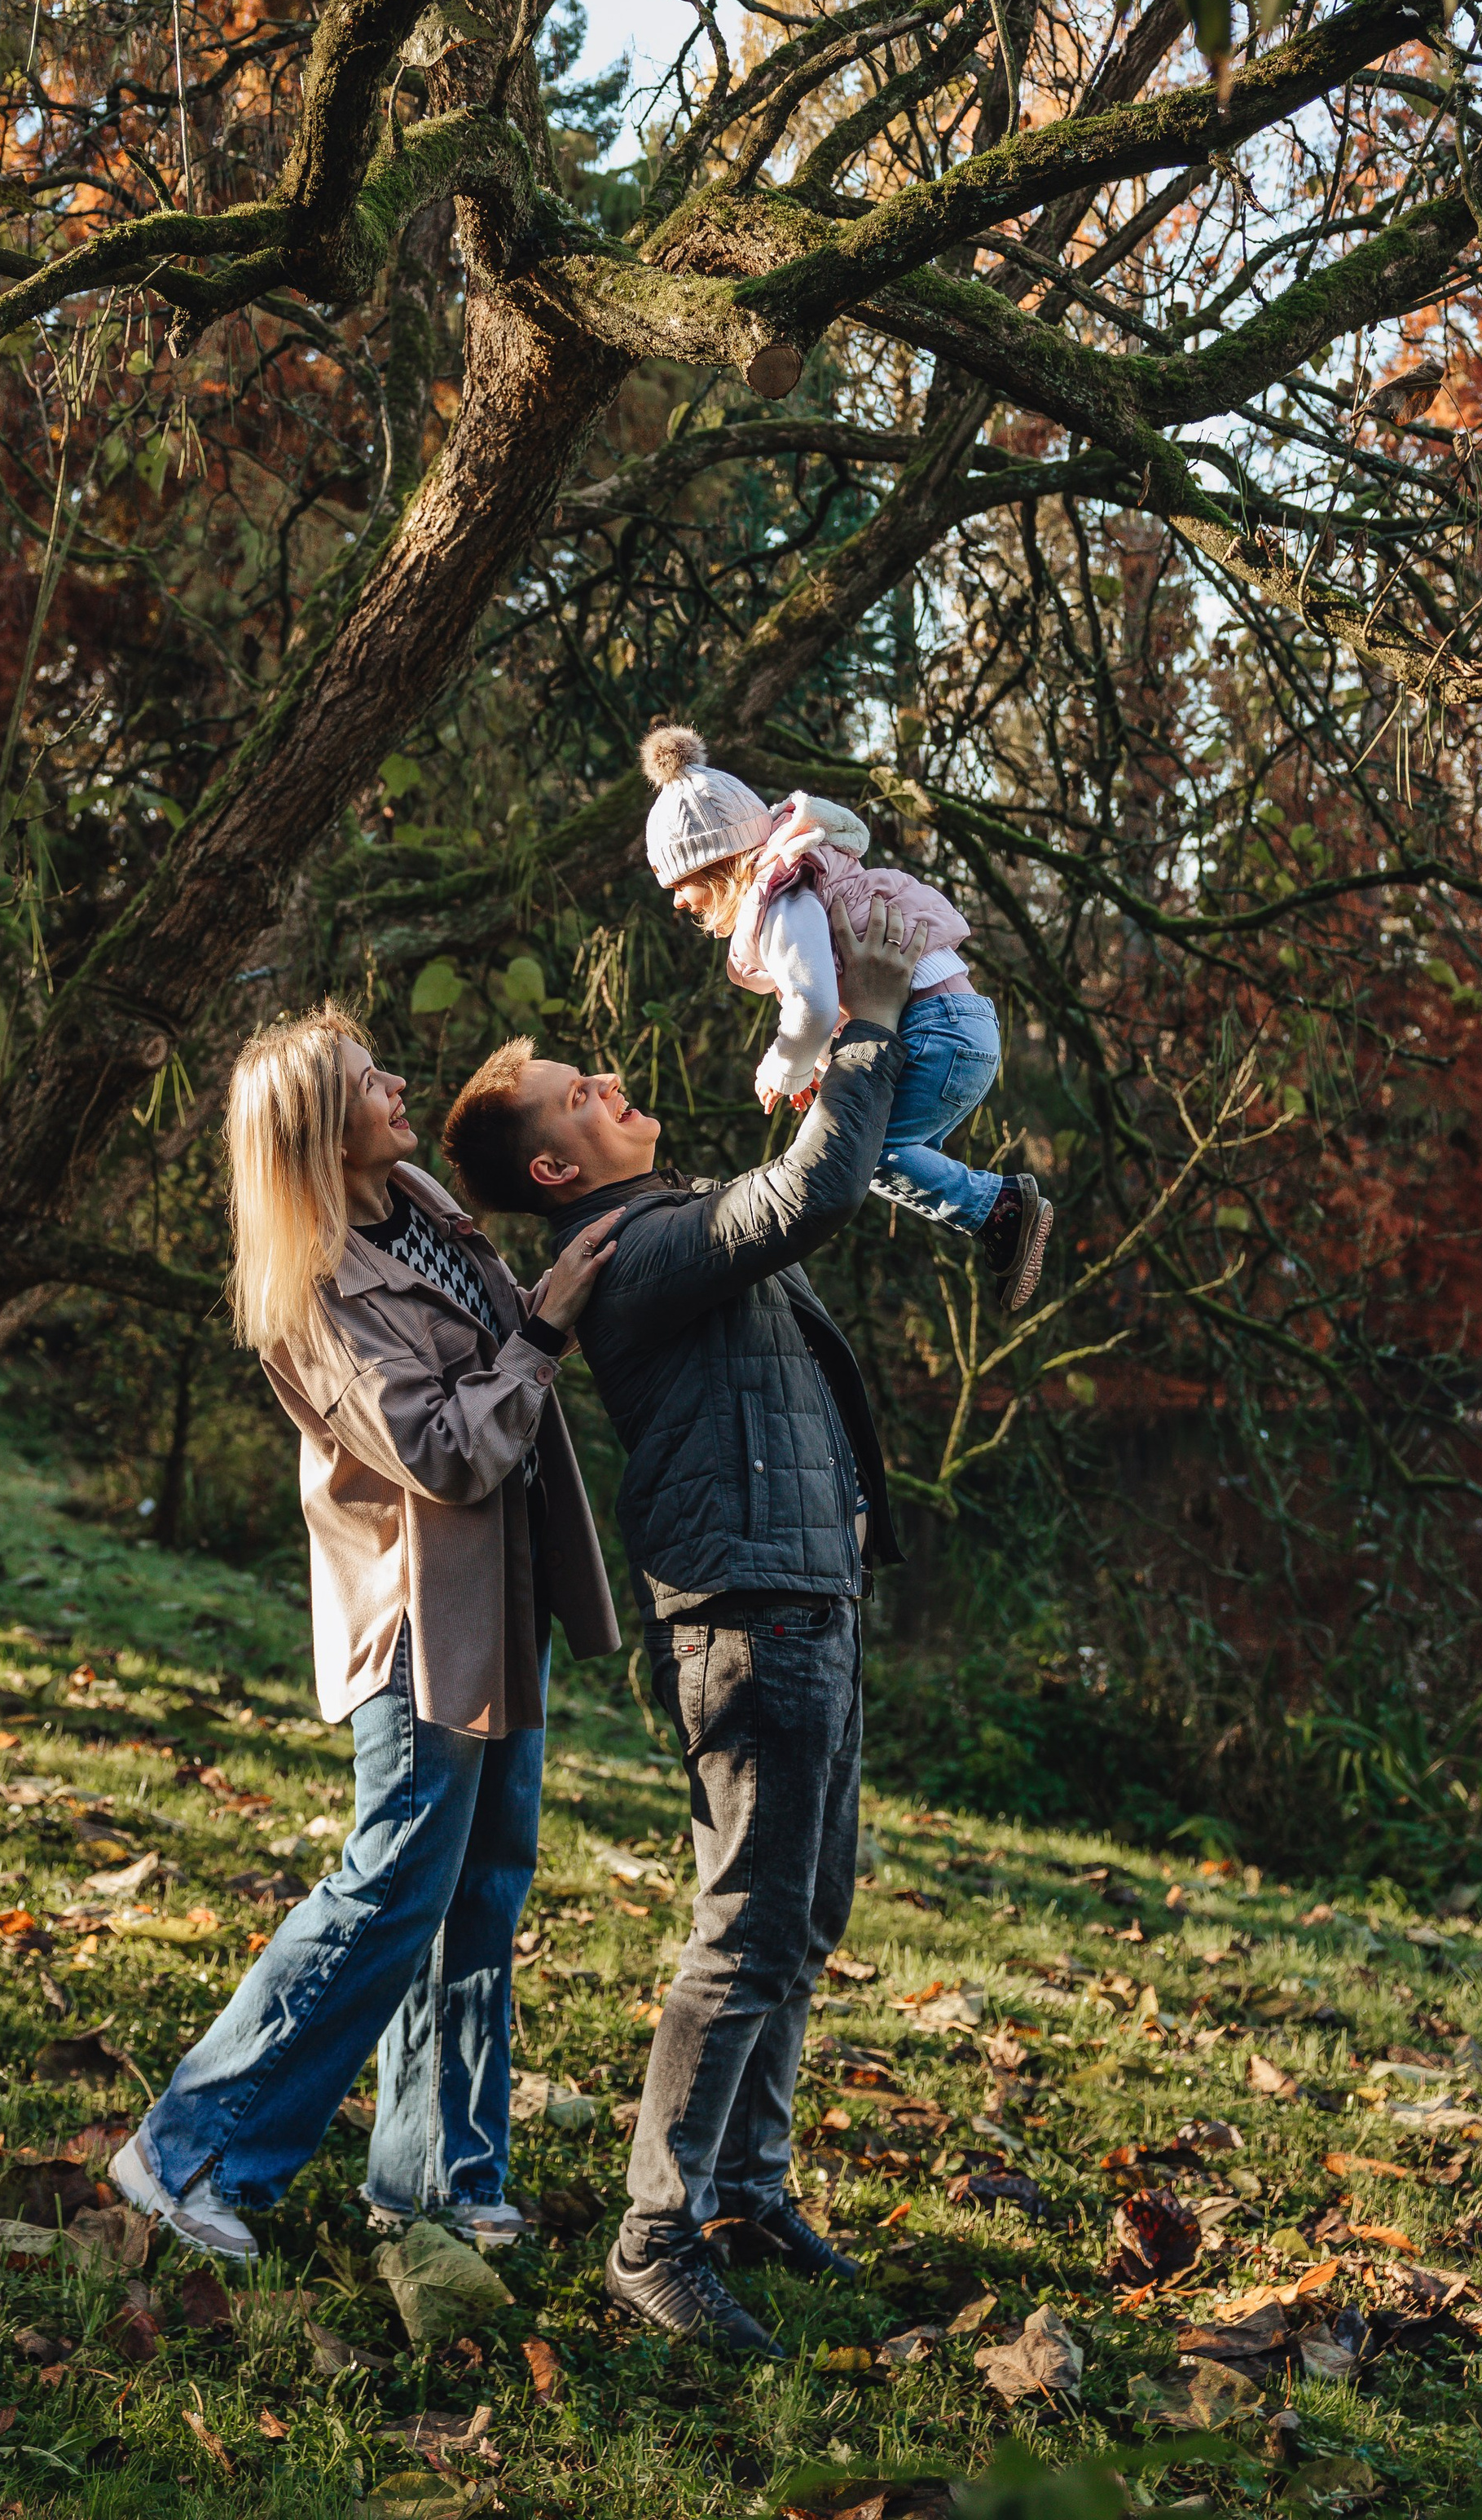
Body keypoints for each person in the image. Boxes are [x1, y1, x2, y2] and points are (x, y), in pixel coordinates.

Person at [438, 897, 919, 2357]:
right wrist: (870, 1013)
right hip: (748, 1622)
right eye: (578, 1092)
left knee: (802, 1917)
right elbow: (809, 1198)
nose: (610, 1083)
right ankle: (653, 2240)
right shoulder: (634, 1253)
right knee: (745, 1928)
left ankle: (739, 2196)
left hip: (802, 1599)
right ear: (553, 1163)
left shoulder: (653, 1225)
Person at [111, 1002, 622, 2261]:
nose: (396, 1082)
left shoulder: (430, 1215)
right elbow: (444, 1453)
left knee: (480, 1890)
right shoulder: (317, 1289)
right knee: (395, 1878)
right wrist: (546, 1330)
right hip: (418, 1621)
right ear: (310, 1128)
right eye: (363, 1079)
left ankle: (436, 2174)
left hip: (503, 1605)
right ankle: (190, 2151)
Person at [637, 724, 1051, 1312]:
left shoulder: (782, 896)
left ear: (719, 866)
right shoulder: (806, 877)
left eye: (680, 885)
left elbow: (815, 1003)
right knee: (880, 1151)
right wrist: (821, 1067)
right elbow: (832, 989)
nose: (677, 902)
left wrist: (785, 1066)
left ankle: (999, 1207)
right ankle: (997, 1217)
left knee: (865, 1153)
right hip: (956, 1029)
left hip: (938, 1033)